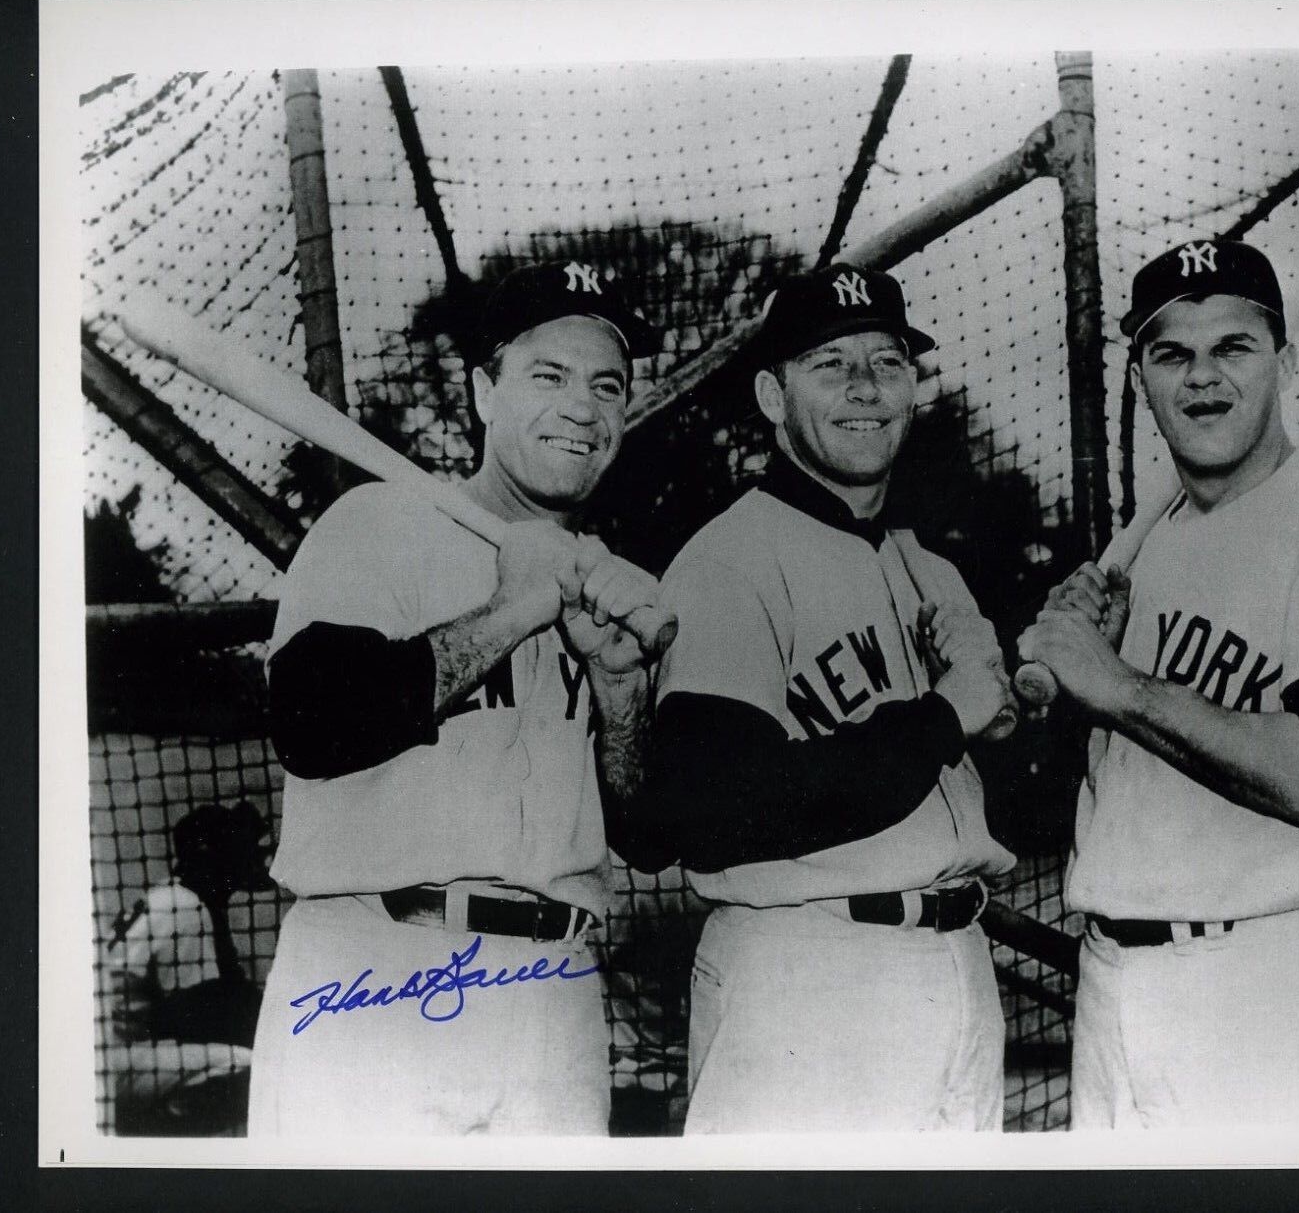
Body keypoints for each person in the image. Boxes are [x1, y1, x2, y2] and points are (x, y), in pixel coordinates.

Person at [1016, 238, 1299, 1128]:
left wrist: (1121, 687)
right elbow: (1126, 785)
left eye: (1234, 347)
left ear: (1285, 362)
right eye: (1171, 353)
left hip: (1278, 989)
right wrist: (1061, 700)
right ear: (1140, 377)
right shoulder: (1156, 536)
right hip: (1117, 988)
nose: (1202, 379)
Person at [247, 261, 674, 1136]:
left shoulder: (605, 583)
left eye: (607, 386)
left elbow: (644, 834)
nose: (582, 408)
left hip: (555, 995)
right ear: (483, 392)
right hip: (379, 976)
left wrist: (621, 686)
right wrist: (516, 608)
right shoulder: (378, 522)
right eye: (547, 376)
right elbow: (311, 723)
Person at [651, 262, 1019, 1133]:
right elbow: (712, 808)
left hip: (959, 961)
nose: (866, 388)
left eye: (888, 363)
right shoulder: (725, 563)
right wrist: (945, 716)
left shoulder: (927, 566)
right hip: (804, 978)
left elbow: (960, 753)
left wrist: (1014, 702)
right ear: (773, 398)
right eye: (831, 365)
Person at [103, 801, 271, 1135]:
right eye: (234, 845)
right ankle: (152, 1139)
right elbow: (200, 1015)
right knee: (254, 1069)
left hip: (115, 1052)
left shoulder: (171, 896)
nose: (250, 856)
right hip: (113, 1064)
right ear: (207, 855)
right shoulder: (186, 909)